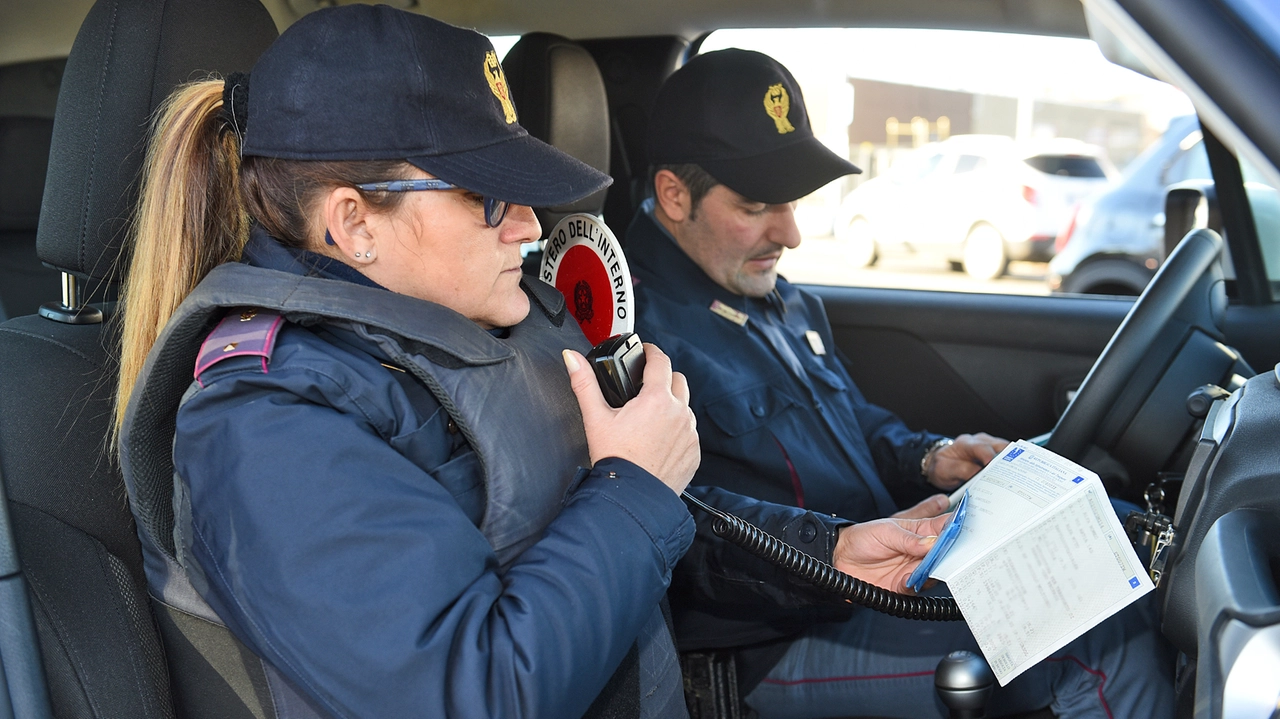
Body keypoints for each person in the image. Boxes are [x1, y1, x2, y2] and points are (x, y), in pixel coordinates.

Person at [113, 9, 954, 719]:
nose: (527, 225)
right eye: (487, 198)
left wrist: (828, 551)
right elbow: (473, 688)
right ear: (353, 224)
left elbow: (644, 519)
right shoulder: (265, 425)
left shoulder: (492, 328)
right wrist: (633, 489)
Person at [628, 48, 1175, 719]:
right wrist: (830, 551)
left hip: (884, 565)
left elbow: (849, 422)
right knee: (1099, 639)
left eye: (793, 201)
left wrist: (927, 456)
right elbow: (657, 520)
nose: (792, 232)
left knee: (1119, 551)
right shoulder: (633, 336)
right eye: (758, 205)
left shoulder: (773, 296)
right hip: (771, 637)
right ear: (674, 195)